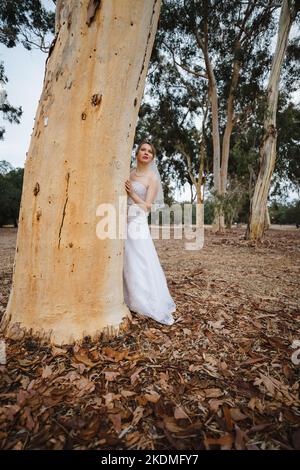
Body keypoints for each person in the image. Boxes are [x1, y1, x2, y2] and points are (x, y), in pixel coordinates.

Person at [123, 141, 176, 325]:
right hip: (121, 220)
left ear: (152, 157)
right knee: (125, 260)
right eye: (143, 150)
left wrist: (133, 195)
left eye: (150, 152)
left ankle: (143, 302)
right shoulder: (128, 172)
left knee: (139, 259)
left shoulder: (152, 178)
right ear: (137, 153)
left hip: (137, 221)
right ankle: (125, 297)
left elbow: (147, 207)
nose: (146, 153)